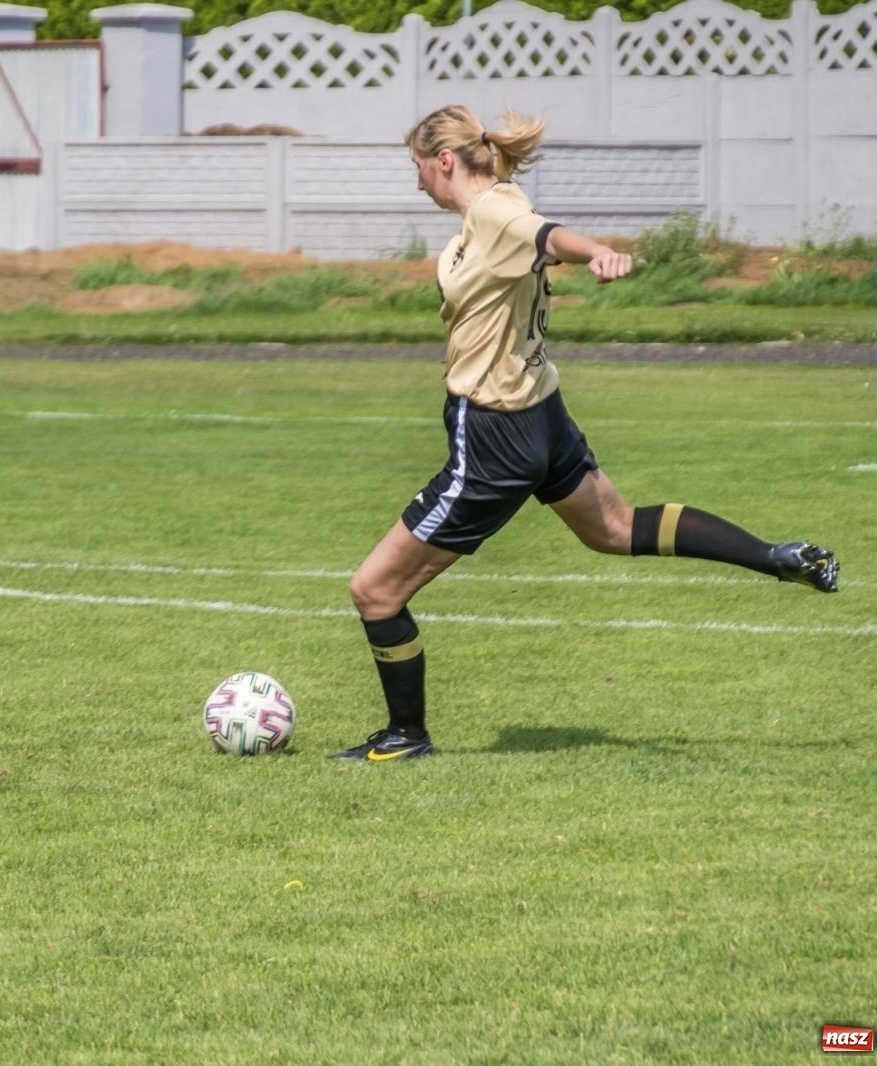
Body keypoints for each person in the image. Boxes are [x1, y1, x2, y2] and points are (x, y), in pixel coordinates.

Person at [332, 106, 838, 762]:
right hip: (541, 415)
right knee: (616, 528)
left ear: (444, 160)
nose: (416, 180)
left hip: (494, 436)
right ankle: (776, 557)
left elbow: (547, 236)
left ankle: (407, 735)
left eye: (418, 166)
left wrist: (596, 252)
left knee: (375, 590)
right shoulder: (499, 201)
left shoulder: (494, 214)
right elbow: (532, 235)